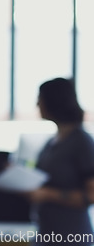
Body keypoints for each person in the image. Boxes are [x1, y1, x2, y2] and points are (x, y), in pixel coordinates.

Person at [27, 78, 94, 246]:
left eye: (39, 99)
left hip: (72, 235)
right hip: (46, 232)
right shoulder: (52, 141)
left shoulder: (82, 141)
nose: (37, 104)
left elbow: (92, 195)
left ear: (53, 101)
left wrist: (47, 194)